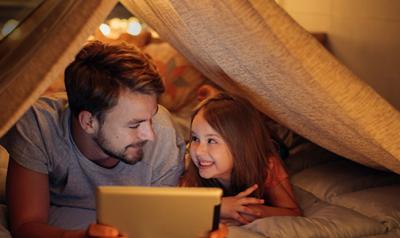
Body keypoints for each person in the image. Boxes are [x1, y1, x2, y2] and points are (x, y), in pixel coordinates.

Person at [0, 40, 216, 237]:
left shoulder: (163, 134)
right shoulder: (38, 124)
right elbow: (26, 225)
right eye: (134, 125)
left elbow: (166, 223)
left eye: (151, 117)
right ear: (88, 122)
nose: (149, 135)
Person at [181, 92, 302, 226]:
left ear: (238, 146)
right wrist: (218, 207)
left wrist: (252, 211)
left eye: (211, 140)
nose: (198, 151)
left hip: (266, 144)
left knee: (278, 146)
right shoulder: (191, 169)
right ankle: (218, 100)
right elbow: (180, 208)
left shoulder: (266, 166)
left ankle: (221, 99)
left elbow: (294, 212)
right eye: (195, 139)